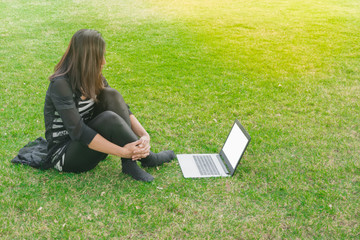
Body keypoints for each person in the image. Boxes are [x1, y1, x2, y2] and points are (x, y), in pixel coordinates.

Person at [43, 29, 175, 182]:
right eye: (100, 57)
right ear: (86, 59)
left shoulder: (93, 77)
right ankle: (146, 159)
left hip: (91, 145)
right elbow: (78, 132)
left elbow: (121, 108)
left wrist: (145, 135)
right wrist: (122, 151)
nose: (104, 62)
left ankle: (130, 164)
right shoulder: (60, 85)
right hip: (66, 155)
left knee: (111, 95)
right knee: (108, 118)